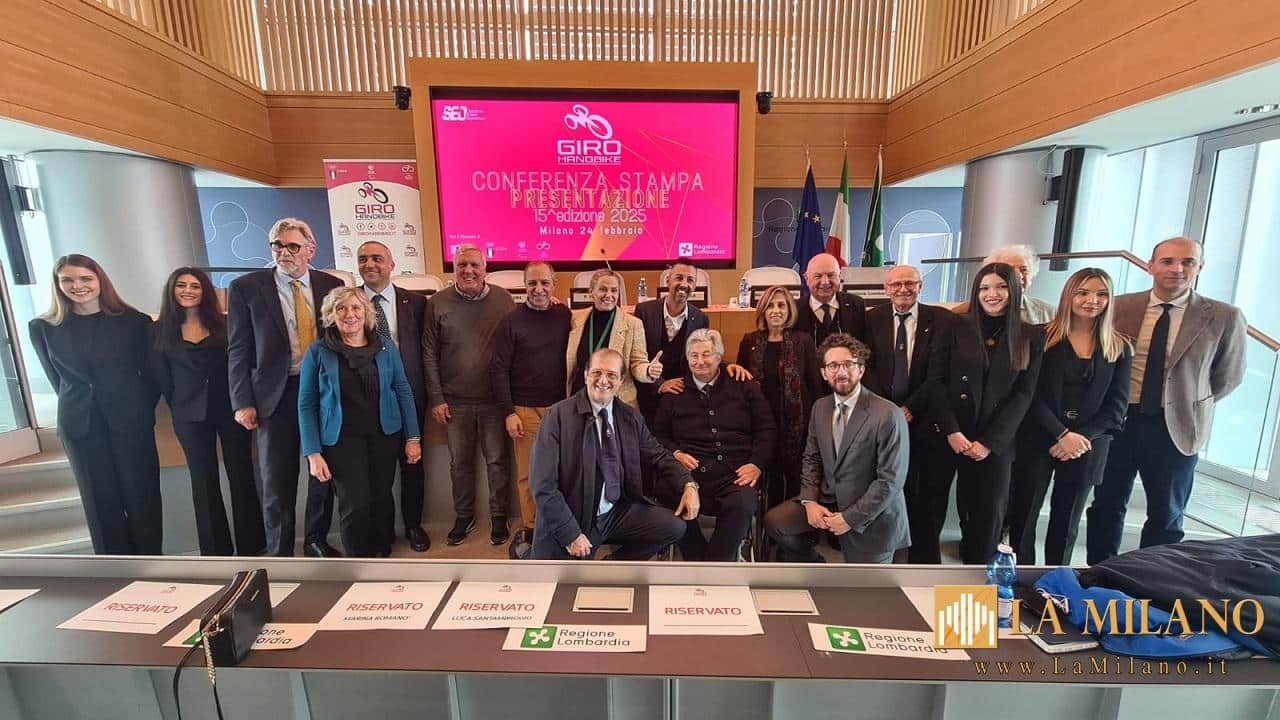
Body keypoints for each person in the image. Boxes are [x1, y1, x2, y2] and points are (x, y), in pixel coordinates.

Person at [1087, 237, 1247, 563]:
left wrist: (1187, 403)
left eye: (1188, 262)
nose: (1177, 269)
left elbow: (1227, 376)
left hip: (1175, 426)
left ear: (1199, 267)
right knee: (1106, 504)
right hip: (1118, 421)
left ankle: (1155, 578)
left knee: (1167, 513)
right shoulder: (1119, 307)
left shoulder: (1224, 316)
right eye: (1168, 261)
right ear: (1150, 266)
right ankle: (1101, 571)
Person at [28, 254, 161, 555]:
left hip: (130, 421)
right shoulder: (43, 327)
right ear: (58, 285)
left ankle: (151, 563)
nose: (78, 286)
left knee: (142, 497)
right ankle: (113, 569)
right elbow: (57, 380)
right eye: (68, 280)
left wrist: (137, 407)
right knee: (99, 502)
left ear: (100, 280)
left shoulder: (134, 322)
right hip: (80, 424)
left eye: (85, 278)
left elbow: (152, 377)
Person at [227, 218, 344, 557]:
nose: (284, 252)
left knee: (323, 473)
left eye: (293, 246)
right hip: (275, 395)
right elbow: (238, 348)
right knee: (277, 478)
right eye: (277, 245)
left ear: (311, 249)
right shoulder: (247, 288)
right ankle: (280, 550)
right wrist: (242, 401)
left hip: (322, 392)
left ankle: (316, 541)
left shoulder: (331, 285)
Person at [1007, 268, 1132, 566]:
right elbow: (1028, 393)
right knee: (1023, 515)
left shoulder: (1119, 346)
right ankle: (1022, 578)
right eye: (1083, 292)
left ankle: (1058, 579)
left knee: (1067, 522)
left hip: (1087, 446)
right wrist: (1061, 433)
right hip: (1038, 437)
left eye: (1101, 294)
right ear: (1068, 296)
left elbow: (1117, 407)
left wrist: (1079, 438)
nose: (1092, 300)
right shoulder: (1039, 337)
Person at [925, 262, 1044, 564]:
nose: (993, 294)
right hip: (951, 431)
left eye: (1001, 287)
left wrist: (990, 442)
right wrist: (952, 431)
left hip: (996, 438)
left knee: (989, 513)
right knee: (931, 506)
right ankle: (924, 568)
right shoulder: (954, 326)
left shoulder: (1030, 335)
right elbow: (936, 381)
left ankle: (979, 574)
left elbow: (1024, 394)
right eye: (985, 288)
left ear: (1014, 290)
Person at [530, 348, 699, 560]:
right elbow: (542, 485)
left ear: (621, 381)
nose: (603, 381)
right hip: (575, 517)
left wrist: (688, 484)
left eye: (611, 375)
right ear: (586, 375)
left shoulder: (630, 417)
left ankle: (614, 566)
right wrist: (570, 534)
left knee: (674, 527)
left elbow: (659, 456)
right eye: (596, 373)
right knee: (569, 578)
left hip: (615, 512)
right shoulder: (557, 416)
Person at [763, 333, 910, 563]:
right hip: (828, 499)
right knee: (776, 522)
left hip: (872, 513)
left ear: (861, 370)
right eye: (833, 365)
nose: (841, 372)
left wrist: (850, 518)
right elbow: (811, 458)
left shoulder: (888, 414)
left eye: (848, 364)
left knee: (861, 585)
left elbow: (890, 481)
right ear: (824, 373)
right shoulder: (820, 407)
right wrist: (810, 501)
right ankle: (815, 563)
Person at [299, 288, 422, 558]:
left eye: (356, 308)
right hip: (341, 440)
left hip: (384, 434)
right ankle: (359, 562)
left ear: (366, 313)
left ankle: (381, 555)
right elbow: (306, 404)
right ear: (331, 315)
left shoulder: (385, 347)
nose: (349, 314)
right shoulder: (318, 351)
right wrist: (313, 453)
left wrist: (413, 437)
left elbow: (402, 389)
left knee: (381, 497)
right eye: (341, 308)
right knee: (354, 503)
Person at [152, 267, 264, 557]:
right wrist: (178, 404)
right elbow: (161, 376)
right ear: (171, 290)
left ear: (206, 292)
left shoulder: (226, 323)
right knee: (203, 480)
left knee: (242, 474)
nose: (188, 291)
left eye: (195, 286)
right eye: (181, 285)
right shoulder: (158, 330)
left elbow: (243, 362)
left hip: (231, 409)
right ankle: (215, 550)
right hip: (188, 414)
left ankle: (253, 545)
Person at [860, 265, 957, 564]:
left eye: (909, 283)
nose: (903, 289)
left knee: (926, 493)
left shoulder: (940, 319)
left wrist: (909, 408)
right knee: (886, 486)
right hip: (882, 416)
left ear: (920, 286)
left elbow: (938, 374)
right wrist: (890, 410)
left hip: (926, 417)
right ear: (886, 288)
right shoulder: (871, 318)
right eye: (896, 284)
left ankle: (923, 560)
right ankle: (888, 553)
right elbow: (866, 366)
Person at [652, 329, 776, 561]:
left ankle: (715, 564)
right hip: (688, 474)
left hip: (735, 474)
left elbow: (766, 429)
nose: (700, 361)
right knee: (665, 491)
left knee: (743, 503)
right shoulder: (675, 391)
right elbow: (657, 436)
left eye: (706, 354)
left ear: (719, 357)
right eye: (694, 355)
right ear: (687, 358)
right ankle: (698, 559)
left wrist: (756, 464)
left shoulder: (743, 385)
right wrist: (676, 453)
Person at [422, 245, 515, 547]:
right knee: (459, 464)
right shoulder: (437, 303)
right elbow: (428, 353)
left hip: (494, 400)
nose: (468, 271)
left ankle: (499, 516)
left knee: (497, 462)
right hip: (455, 401)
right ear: (454, 268)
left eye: (474, 265)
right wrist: (437, 397)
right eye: (462, 265)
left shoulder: (504, 300)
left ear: (485, 267)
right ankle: (464, 516)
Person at [490, 261, 572, 553]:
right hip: (524, 410)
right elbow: (499, 369)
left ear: (554, 284)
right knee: (530, 474)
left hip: (561, 409)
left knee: (562, 472)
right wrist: (509, 412)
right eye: (532, 283)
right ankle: (532, 529)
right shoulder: (511, 321)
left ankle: (561, 526)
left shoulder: (565, 315)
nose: (538, 289)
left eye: (544, 283)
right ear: (524, 286)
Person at [356, 241, 431, 552]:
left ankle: (413, 525)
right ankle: (383, 530)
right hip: (367, 400)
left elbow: (428, 350)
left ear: (391, 265)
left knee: (413, 464)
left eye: (377, 258)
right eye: (363, 259)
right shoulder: (349, 302)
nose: (370, 264)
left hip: (409, 395)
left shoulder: (417, 303)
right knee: (378, 470)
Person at [731, 285, 823, 507]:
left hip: (797, 427)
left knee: (795, 480)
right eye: (770, 305)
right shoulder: (750, 341)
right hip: (761, 426)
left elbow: (815, 386)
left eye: (781, 305)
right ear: (762, 310)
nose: (776, 310)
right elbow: (740, 382)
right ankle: (768, 526)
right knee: (768, 483)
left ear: (789, 309)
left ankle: (792, 525)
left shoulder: (803, 341)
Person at [565, 269, 658, 408]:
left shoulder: (633, 324)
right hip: (580, 398)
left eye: (614, 290)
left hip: (616, 401)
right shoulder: (575, 319)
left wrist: (648, 371)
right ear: (591, 292)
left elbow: (638, 363)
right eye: (603, 289)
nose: (609, 295)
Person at [633, 258, 708, 422]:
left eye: (690, 280)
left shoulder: (700, 318)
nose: (684, 284)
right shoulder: (644, 311)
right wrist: (660, 384)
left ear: (695, 286)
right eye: (679, 278)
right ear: (668, 280)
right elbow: (636, 357)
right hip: (647, 394)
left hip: (680, 397)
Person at [953, 245, 1056, 324]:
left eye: (1024, 269)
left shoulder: (1048, 313)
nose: (1019, 275)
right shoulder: (961, 313)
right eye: (1010, 269)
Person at [793, 253, 867, 347]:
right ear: (806, 278)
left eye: (831, 275)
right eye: (818, 276)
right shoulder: (794, 310)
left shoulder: (856, 305)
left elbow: (864, 347)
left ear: (839, 276)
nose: (825, 282)